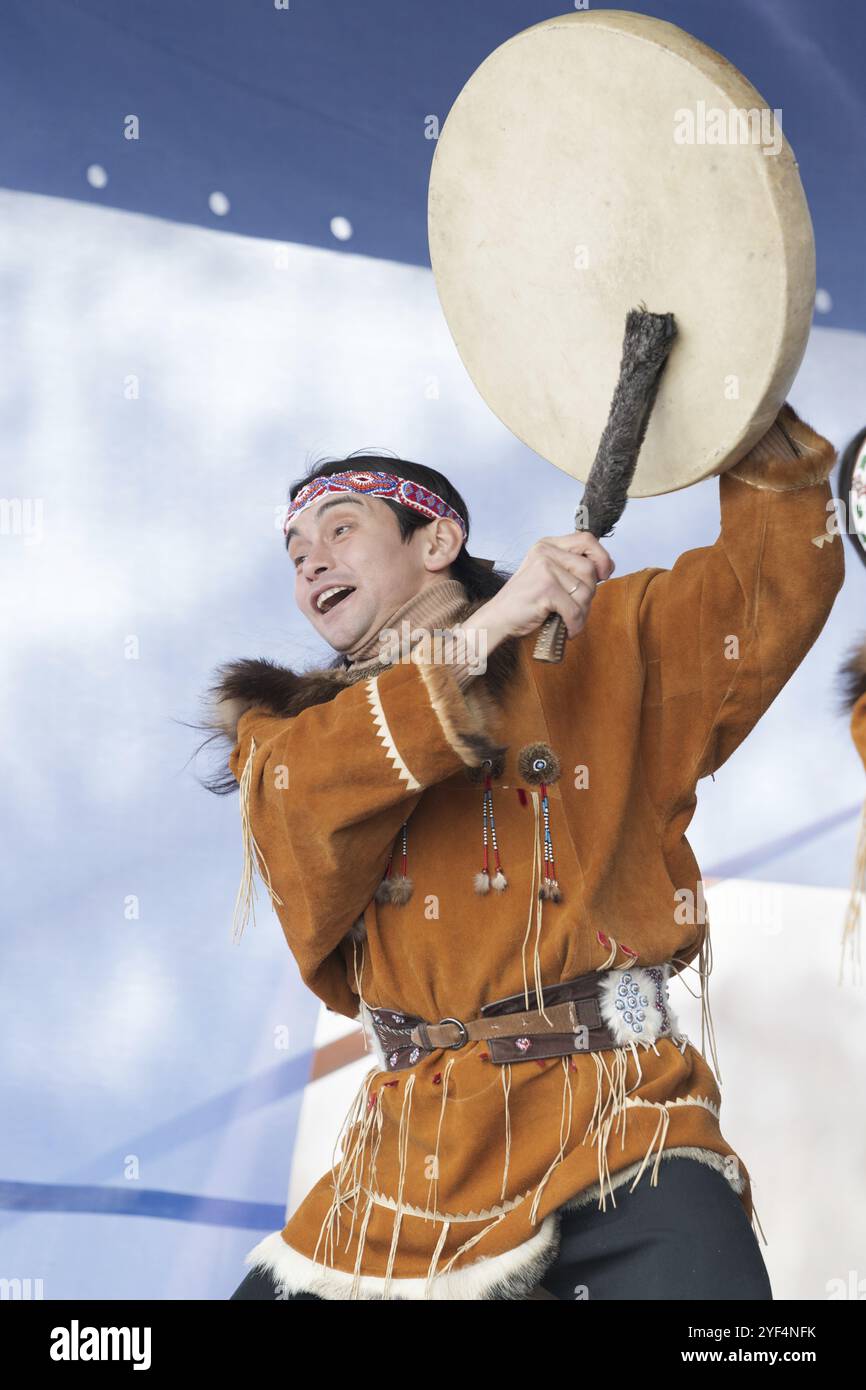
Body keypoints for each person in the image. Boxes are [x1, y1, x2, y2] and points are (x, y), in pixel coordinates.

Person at [201, 403, 844, 1300]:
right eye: (297, 548)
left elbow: (772, 583)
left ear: (437, 542)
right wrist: (479, 638)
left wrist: (739, 381)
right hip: (407, 1163)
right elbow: (301, 811)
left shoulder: (606, 643)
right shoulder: (284, 739)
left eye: (340, 530)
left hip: (621, 1123)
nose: (311, 559)